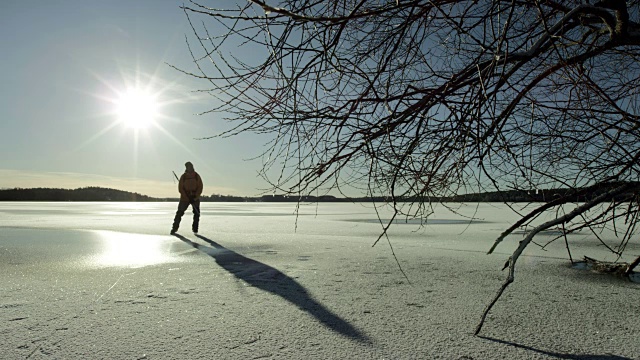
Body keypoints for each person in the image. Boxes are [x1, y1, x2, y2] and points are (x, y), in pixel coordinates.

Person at [171, 161, 203, 235]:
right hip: (184, 198)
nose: (189, 168)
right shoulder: (183, 176)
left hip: (195, 198)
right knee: (179, 213)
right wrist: (187, 197)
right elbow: (180, 188)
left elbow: (200, 187)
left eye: (190, 166)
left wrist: (195, 197)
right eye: (188, 167)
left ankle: (195, 229)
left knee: (197, 214)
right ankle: (174, 228)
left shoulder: (197, 176)